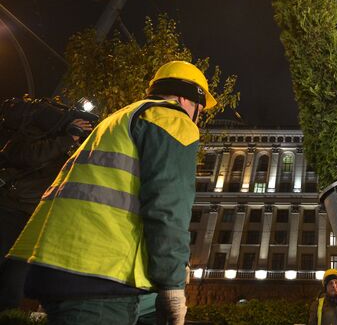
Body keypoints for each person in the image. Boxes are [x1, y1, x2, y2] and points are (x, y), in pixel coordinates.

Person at [8, 60, 217, 325]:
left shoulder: (118, 119)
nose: (198, 118)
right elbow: (168, 208)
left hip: (64, 264)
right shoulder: (172, 119)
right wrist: (172, 285)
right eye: (201, 111)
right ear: (190, 100)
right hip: (100, 277)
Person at [0, 97, 93, 311]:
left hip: (33, 219)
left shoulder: (66, 146)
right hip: (9, 209)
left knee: (13, 289)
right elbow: (29, 156)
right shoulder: (29, 133)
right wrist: (66, 138)